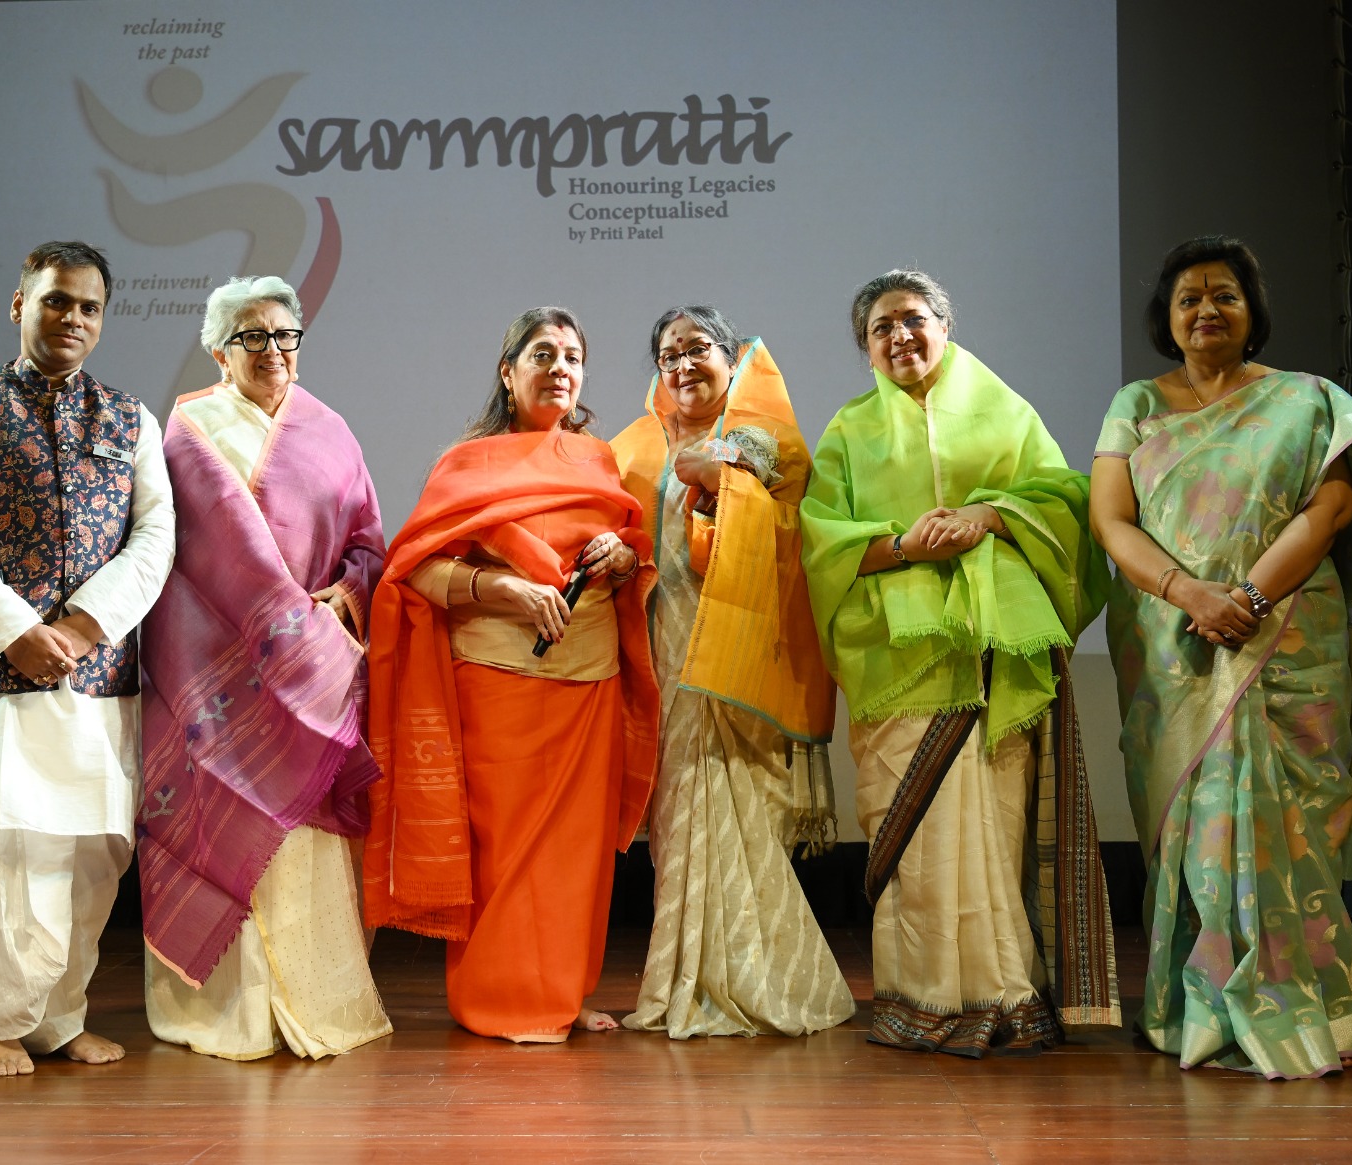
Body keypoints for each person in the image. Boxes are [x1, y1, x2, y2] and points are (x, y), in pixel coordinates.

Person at [1090, 236, 1352, 1077]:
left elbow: (1332, 507)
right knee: (1199, 830)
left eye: (1224, 295)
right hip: (1178, 649)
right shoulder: (1137, 404)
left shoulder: (1308, 401)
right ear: (1167, 319)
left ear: (1252, 311)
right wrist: (1191, 594)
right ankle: (1199, 1005)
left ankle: (1309, 1002)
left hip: (1286, 642)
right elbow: (1111, 520)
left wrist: (1250, 597)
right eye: (1189, 298)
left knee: (1292, 830)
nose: (1207, 309)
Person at [800, 269, 1120, 1056]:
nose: (899, 335)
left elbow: (1064, 502)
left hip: (992, 654)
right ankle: (920, 998)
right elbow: (822, 542)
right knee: (921, 841)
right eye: (881, 327)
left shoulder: (1006, 411)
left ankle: (1007, 994)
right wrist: (904, 542)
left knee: (995, 830)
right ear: (866, 350)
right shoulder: (848, 432)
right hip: (898, 661)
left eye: (913, 318)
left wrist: (988, 514)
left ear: (945, 326)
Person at [0, 240, 176, 1076]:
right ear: (20, 304)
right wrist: (16, 631)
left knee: (86, 858)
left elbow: (156, 536)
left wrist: (87, 627)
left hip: (97, 684)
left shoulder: (130, 418)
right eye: (57, 299)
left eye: (89, 306)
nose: (73, 318)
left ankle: (59, 1018)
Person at [361, 307, 659, 1042]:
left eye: (573, 356)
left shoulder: (598, 459)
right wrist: (503, 590)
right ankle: (498, 996)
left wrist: (624, 557)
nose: (560, 367)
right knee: (503, 846)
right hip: (496, 679)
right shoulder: (467, 463)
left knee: (576, 854)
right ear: (508, 371)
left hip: (590, 681)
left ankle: (562, 992)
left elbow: (628, 552)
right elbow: (415, 569)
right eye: (542, 353)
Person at [138, 276, 391, 1059]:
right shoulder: (189, 429)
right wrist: (291, 628)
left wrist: (344, 598)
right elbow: (207, 557)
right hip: (216, 675)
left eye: (285, 335)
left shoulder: (331, 431)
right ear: (220, 351)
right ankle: (231, 1014)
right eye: (252, 337)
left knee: (304, 841)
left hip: (315, 675)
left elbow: (368, 544)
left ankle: (316, 1000)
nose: (273, 350)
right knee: (226, 834)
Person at [610, 306, 854, 1038]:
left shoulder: (767, 441)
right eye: (668, 354)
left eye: (698, 348)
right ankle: (681, 979)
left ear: (733, 355)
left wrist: (724, 480)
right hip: (661, 658)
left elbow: (797, 540)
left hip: (740, 658)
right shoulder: (630, 448)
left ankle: (761, 979)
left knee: (739, 814)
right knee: (680, 824)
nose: (684, 364)